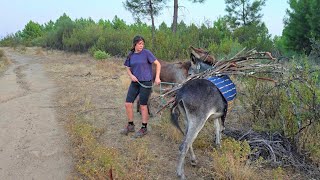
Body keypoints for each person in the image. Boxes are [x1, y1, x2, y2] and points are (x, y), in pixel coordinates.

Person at [121, 35, 161, 138]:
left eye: (142, 44)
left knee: (143, 105)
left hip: (146, 83)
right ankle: (130, 125)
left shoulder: (146, 53)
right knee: (128, 104)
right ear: (135, 44)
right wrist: (131, 76)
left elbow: (158, 64)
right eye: (139, 44)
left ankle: (144, 128)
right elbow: (127, 67)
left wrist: (157, 77)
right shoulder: (130, 55)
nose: (141, 46)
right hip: (135, 82)